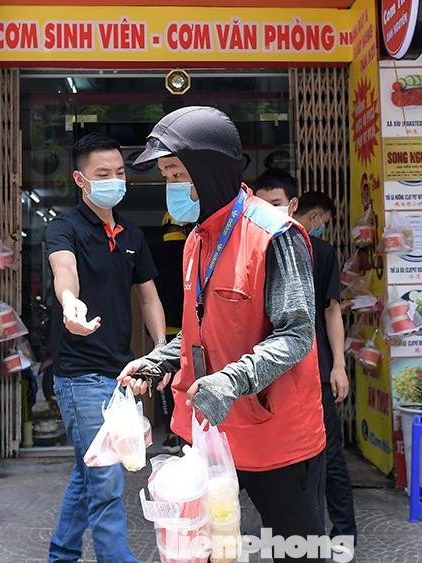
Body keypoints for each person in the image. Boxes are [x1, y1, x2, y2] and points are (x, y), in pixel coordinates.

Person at [118, 107, 329, 561]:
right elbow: (203, 327)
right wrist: (163, 358)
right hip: (211, 431)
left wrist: (232, 380)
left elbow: (296, 334)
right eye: (166, 175)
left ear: (208, 169)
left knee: (299, 551)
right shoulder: (197, 237)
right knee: (208, 548)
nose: (172, 185)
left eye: (177, 172)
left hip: (276, 435)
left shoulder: (275, 235)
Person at [44, 132, 165, 563]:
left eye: (119, 172)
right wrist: (70, 304)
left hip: (121, 374)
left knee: (89, 469)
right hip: (80, 376)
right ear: (80, 179)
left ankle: (61, 555)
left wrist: (161, 348)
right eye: (103, 174)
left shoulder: (131, 232)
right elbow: (65, 272)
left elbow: (149, 296)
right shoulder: (64, 228)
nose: (115, 179)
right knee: (107, 477)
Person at [254, 170, 358, 547]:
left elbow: (331, 311)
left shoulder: (321, 252)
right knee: (276, 457)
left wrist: (339, 366)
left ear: (294, 205)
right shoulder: (252, 247)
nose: (269, 212)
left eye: (277, 204)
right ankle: (292, 535)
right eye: (261, 205)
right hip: (265, 372)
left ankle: (343, 534)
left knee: (327, 455)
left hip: (313, 369)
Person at [153, 212, 193, 453]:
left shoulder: (154, 253)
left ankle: (171, 434)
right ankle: (190, 433)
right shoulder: (193, 249)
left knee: (165, 383)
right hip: (190, 328)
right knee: (189, 381)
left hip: (164, 330)